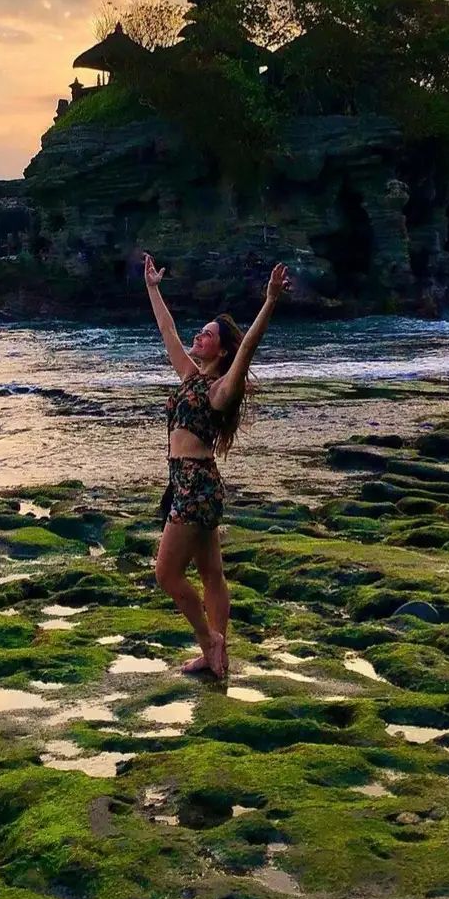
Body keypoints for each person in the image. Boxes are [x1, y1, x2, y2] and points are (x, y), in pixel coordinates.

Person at [144, 252, 291, 677]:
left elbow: (248, 346)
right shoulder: (190, 375)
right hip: (190, 484)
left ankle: (210, 643)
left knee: (166, 575)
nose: (199, 336)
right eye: (202, 332)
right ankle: (217, 659)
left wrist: (269, 301)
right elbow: (167, 330)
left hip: (195, 486)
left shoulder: (219, 389)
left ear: (221, 349)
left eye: (207, 335)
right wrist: (153, 288)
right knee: (211, 573)